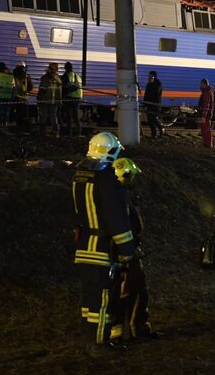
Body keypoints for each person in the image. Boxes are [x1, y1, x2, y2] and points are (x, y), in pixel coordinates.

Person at [71, 132, 135, 354]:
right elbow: (116, 216)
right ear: (110, 151)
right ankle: (99, 343)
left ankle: (89, 339)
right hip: (102, 250)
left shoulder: (80, 176)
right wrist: (127, 248)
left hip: (84, 247)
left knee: (90, 298)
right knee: (104, 299)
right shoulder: (108, 179)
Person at [112, 157, 156, 339]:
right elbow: (134, 227)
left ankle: (117, 329)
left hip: (115, 253)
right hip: (128, 253)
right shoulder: (121, 201)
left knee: (118, 290)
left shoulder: (111, 197)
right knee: (137, 290)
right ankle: (138, 327)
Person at [37, 63, 62, 137]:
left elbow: (41, 90)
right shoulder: (58, 79)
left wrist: (39, 100)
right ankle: (56, 132)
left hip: (45, 101)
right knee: (53, 117)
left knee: (43, 117)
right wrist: (59, 101)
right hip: (54, 101)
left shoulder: (45, 78)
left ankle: (42, 132)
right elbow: (59, 92)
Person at [61, 62, 83, 137]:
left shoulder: (66, 75)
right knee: (76, 117)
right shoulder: (77, 76)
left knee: (69, 116)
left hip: (69, 97)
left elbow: (63, 87)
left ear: (66, 68)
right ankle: (78, 133)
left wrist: (62, 97)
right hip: (78, 98)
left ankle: (69, 134)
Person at [12, 61, 33, 131]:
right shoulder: (27, 76)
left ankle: (15, 124)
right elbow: (30, 87)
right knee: (23, 112)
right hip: (24, 97)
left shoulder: (13, 75)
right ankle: (21, 127)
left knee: (16, 111)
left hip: (15, 96)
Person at [198, 78, 214, 148]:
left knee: (206, 129)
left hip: (206, 114)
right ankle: (207, 143)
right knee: (205, 129)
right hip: (207, 114)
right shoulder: (208, 91)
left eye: (201, 84)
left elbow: (206, 104)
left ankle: (208, 144)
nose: (200, 85)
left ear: (204, 84)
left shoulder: (206, 92)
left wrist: (203, 115)